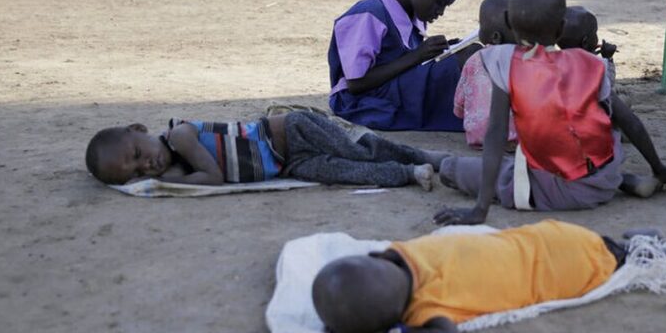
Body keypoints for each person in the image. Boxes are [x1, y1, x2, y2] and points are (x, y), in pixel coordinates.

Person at [434, 0, 666, 225]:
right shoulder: (589, 64)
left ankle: (617, 183)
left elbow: (495, 134)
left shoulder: (505, 64)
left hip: (552, 190)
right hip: (601, 179)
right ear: (561, 28)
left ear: (508, 22)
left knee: (453, 169)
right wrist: (660, 169)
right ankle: (624, 181)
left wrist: (480, 209)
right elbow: (630, 123)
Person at [311, 220, 666, 333]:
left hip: (569, 273)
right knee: (613, 247)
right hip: (553, 237)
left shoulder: (426, 308)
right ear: (379, 258)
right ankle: (637, 240)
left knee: (620, 257)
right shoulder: (407, 251)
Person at [85, 111, 451, 190]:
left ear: (139, 129)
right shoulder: (176, 167)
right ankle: (410, 174)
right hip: (290, 165)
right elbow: (194, 180)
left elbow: (211, 177)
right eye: (135, 173)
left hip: (291, 132)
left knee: (359, 152)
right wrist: (168, 176)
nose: (145, 166)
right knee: (349, 173)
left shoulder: (180, 137)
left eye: (136, 154)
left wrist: (166, 178)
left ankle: (420, 157)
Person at [328, 0, 467, 132]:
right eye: (438, 3)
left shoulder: (414, 16)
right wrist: (418, 55)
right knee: (460, 62)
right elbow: (356, 84)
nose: (441, 12)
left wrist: (442, 51)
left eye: (445, 6)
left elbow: (408, 62)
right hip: (361, 101)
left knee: (468, 54)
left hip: (393, 88)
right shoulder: (370, 14)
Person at [453, 0, 519, 150]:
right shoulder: (523, 61)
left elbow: (459, 104)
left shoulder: (473, 61)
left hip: (477, 136)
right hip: (515, 137)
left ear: (495, 37)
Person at [557, 5, 618, 83]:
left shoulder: (554, 62)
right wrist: (608, 59)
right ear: (585, 42)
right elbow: (608, 83)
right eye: (594, 34)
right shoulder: (598, 65)